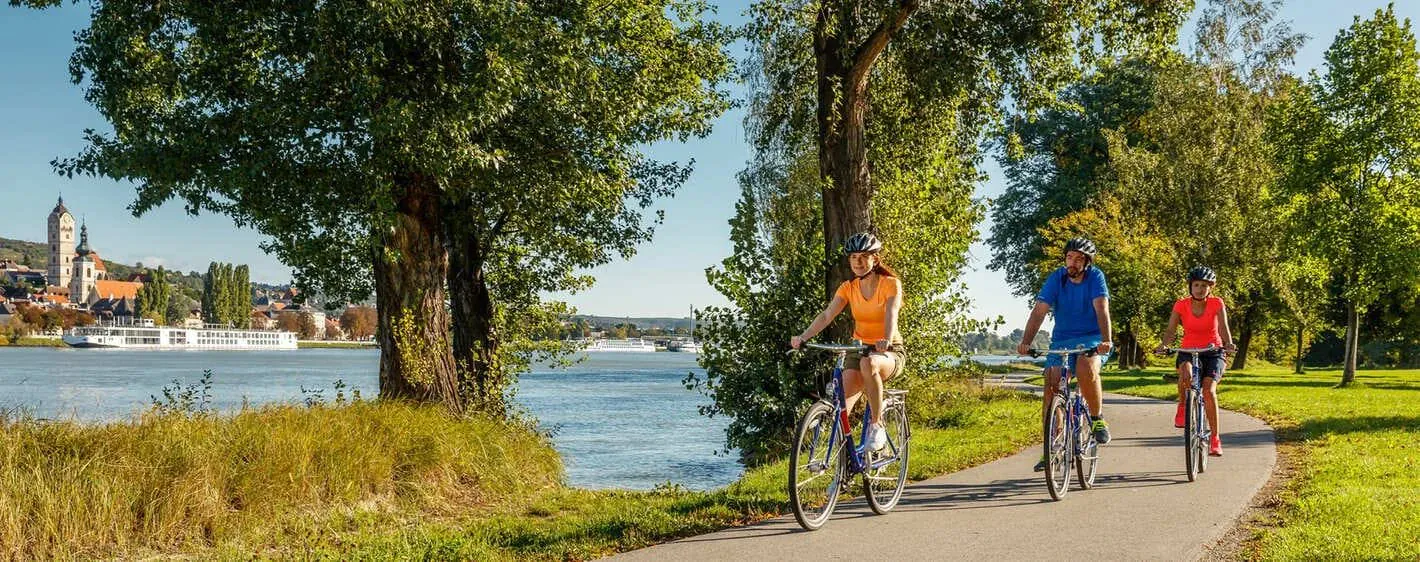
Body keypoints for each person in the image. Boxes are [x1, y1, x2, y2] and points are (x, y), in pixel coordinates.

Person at [791, 232, 906, 451]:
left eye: (864, 256)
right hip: (858, 349)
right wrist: (803, 337)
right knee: (840, 407)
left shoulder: (891, 284)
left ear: (875, 259)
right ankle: (843, 460)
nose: (858, 262)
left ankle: (877, 425)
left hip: (888, 352)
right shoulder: (848, 288)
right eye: (853, 257)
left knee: (869, 363)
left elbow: (891, 313)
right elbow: (827, 316)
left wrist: (886, 339)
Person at [1016, 237, 1114, 472]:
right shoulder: (1056, 278)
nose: (1073, 262)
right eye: (1070, 257)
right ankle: (1052, 447)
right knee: (1052, 383)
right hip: (1061, 341)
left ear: (1087, 263)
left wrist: (1106, 340)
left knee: (1086, 368)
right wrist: (1026, 342)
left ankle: (1097, 419)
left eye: (1079, 259)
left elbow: (1102, 308)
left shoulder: (1095, 277)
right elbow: (1039, 311)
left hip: (1092, 339)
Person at [1156, 266, 1236, 457]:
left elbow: (1223, 327)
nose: (1200, 289)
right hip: (1188, 350)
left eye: (1204, 286)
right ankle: (1183, 405)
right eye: (1197, 285)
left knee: (1209, 391)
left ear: (1211, 287)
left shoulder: (1216, 303)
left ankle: (1215, 438)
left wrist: (1229, 344)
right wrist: (1163, 345)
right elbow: (1171, 330)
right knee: (1186, 374)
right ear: (1190, 287)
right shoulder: (1181, 305)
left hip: (1213, 351)